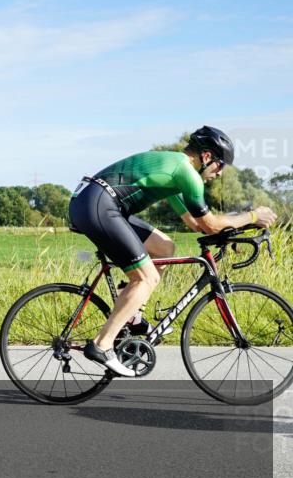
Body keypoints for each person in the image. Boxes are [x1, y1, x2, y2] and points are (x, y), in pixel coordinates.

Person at [68, 126, 277, 376]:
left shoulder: (175, 169)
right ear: (207, 157)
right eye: (220, 166)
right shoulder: (186, 172)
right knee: (147, 277)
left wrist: (240, 224)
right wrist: (252, 215)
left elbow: (194, 223)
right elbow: (209, 224)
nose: (220, 174)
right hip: (99, 205)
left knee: (164, 247)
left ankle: (132, 315)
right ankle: (101, 344)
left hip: (97, 202)